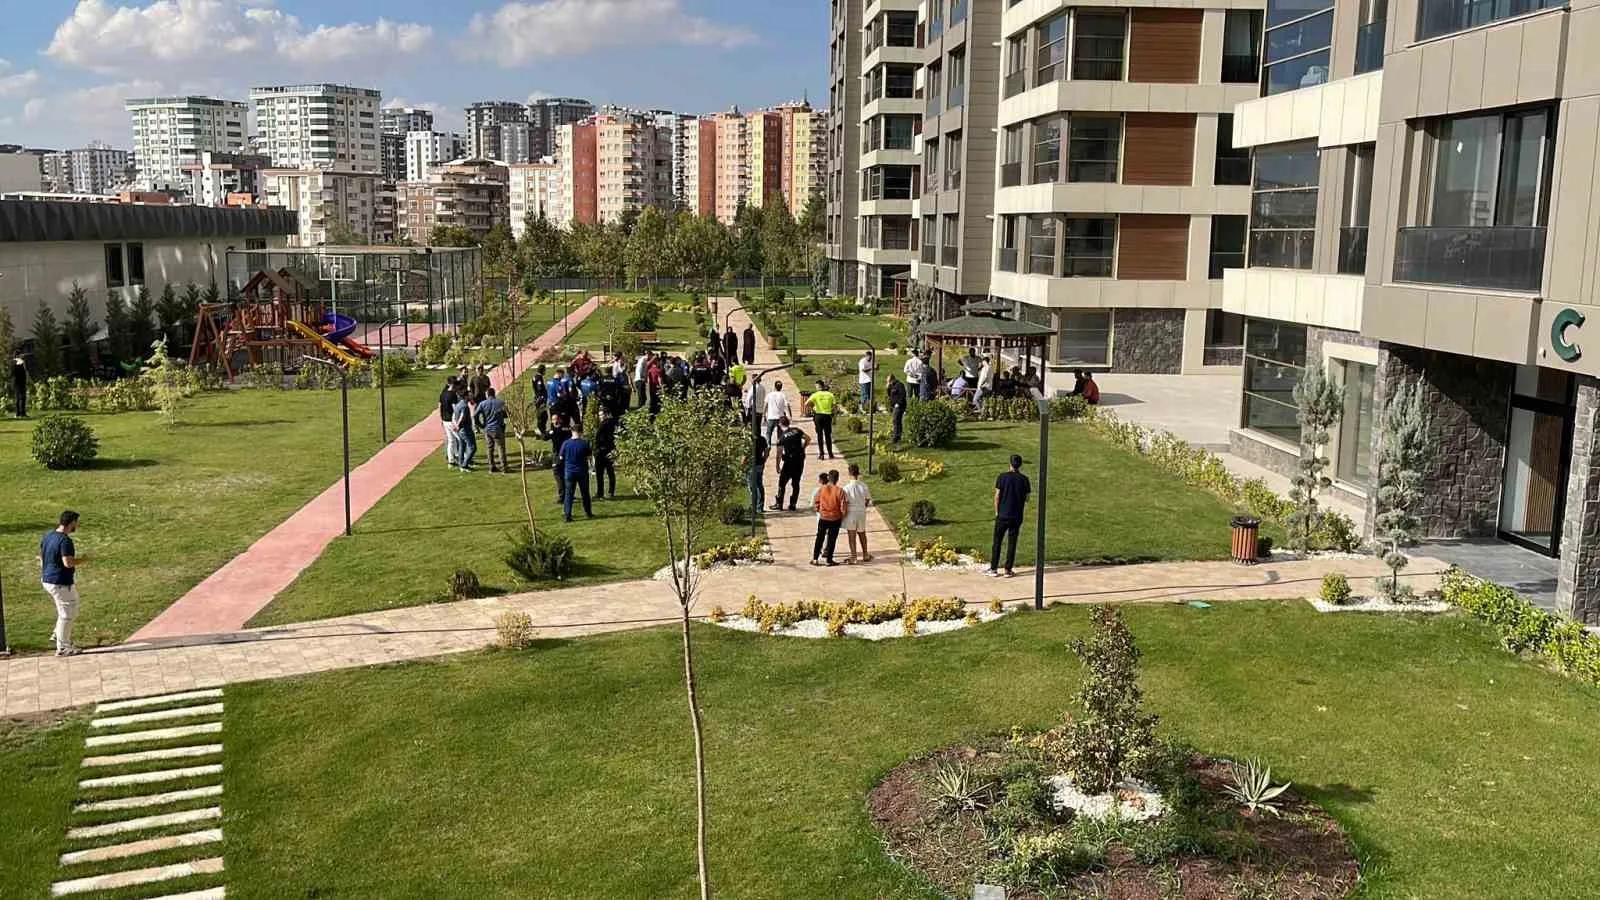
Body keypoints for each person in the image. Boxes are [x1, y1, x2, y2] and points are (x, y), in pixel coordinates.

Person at [40, 510, 84, 656]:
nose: (77, 525)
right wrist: (84, 559)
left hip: (48, 580)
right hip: (60, 583)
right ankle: (63, 647)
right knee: (67, 614)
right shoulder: (65, 541)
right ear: (71, 523)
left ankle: (58, 633)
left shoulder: (49, 536)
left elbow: (41, 556)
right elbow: (68, 563)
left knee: (73, 604)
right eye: (76, 522)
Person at [989, 454, 1032, 578]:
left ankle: (993, 568)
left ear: (1010, 463)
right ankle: (1008, 570)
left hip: (1002, 515)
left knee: (997, 542)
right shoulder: (1024, 479)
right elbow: (1027, 498)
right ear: (1020, 465)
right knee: (1012, 543)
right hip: (1016, 516)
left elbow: (997, 496)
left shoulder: (1002, 477)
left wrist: (997, 511)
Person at [773, 416, 811, 511]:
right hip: (799, 461)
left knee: (782, 483)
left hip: (789, 463)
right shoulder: (797, 430)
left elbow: (779, 453)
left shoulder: (781, 438)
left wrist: (777, 465)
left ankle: (779, 503)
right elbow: (808, 438)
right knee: (796, 483)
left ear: (780, 424)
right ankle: (793, 504)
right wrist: (803, 447)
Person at [810, 471, 847, 566]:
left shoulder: (822, 489)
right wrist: (842, 515)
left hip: (823, 517)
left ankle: (815, 559)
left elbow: (816, 502)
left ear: (828, 478)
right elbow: (843, 506)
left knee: (819, 538)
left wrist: (819, 510)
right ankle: (829, 560)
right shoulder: (840, 491)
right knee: (832, 539)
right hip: (835, 518)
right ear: (837, 479)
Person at [559, 422, 594, 522]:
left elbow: (561, 457)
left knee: (569, 494)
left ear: (572, 431)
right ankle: (588, 513)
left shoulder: (566, 443)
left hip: (569, 472)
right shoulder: (584, 443)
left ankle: (567, 515)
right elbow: (589, 457)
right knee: (585, 493)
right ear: (581, 432)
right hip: (582, 472)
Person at [842, 464, 873, 563]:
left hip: (851, 513)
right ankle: (865, 554)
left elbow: (845, 502)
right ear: (858, 473)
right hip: (861, 512)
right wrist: (863, 506)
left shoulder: (846, 488)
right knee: (862, 533)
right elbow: (867, 499)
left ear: (849, 473)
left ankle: (854, 557)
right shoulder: (863, 486)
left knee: (851, 535)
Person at [475, 387, 509, 473]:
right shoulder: (500, 403)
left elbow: (475, 415)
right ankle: (504, 467)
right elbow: (507, 414)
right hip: (498, 428)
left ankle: (491, 467)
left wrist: (480, 425)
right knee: (501, 448)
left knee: (490, 448)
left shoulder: (482, 404)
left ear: (487, 395)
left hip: (487, 429)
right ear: (494, 394)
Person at [807, 380, 837, 460]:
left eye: (816, 386)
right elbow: (834, 406)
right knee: (828, 436)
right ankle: (830, 454)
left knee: (819, 436)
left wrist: (813, 408)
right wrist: (834, 417)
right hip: (827, 416)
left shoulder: (815, 395)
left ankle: (821, 454)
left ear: (818, 386)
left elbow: (807, 403)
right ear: (823, 386)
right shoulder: (830, 395)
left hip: (818, 416)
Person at [593, 408, 618, 499]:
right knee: (608, 472)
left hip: (604, 451)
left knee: (604, 472)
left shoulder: (606, 424)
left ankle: (602, 492)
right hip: (606, 450)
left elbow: (600, 438)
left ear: (606, 414)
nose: (600, 417)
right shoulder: (610, 423)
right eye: (599, 415)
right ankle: (608, 491)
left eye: (602, 415)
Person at [452, 385, 477, 472]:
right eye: (469, 395)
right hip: (465, 429)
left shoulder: (459, 404)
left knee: (462, 446)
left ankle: (461, 463)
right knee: (473, 447)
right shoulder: (465, 406)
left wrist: (456, 426)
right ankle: (464, 465)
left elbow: (455, 416)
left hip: (460, 430)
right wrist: (458, 425)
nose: (471, 396)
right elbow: (462, 416)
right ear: (466, 396)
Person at [548, 414, 573, 502]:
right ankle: (569, 493)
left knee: (558, 474)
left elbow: (547, 436)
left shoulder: (557, 430)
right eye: (553, 419)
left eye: (556, 419)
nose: (555, 421)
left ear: (560, 420)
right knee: (564, 474)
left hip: (559, 454)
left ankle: (562, 495)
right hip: (565, 454)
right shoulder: (565, 428)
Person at [438, 376, 460, 467]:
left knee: (451, 440)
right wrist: (458, 421)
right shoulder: (453, 394)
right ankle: (463, 458)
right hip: (452, 420)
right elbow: (455, 409)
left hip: (445, 420)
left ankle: (451, 460)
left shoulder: (443, 394)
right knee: (461, 439)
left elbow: (439, 406)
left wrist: (441, 419)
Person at [747, 430, 770, 515]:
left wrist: (742, 464)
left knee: (753, 486)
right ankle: (760, 506)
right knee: (759, 485)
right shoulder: (762, 439)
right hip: (760, 463)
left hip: (751, 465)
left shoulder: (750, 441)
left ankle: (754, 506)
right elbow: (767, 449)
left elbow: (746, 454)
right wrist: (764, 458)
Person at [763, 380, 791, 446]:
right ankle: (779, 445)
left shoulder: (769, 395)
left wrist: (764, 415)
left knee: (769, 433)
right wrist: (790, 415)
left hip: (771, 417)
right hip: (780, 417)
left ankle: (768, 445)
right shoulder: (783, 395)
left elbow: (765, 405)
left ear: (774, 387)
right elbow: (787, 405)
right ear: (781, 387)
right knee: (780, 434)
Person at [887, 374, 908, 443]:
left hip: (900, 406)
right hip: (895, 406)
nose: (889, 383)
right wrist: (888, 388)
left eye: (889, 381)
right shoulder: (891, 386)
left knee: (896, 420)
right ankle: (898, 435)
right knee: (897, 421)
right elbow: (889, 395)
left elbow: (903, 395)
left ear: (893, 379)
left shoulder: (900, 385)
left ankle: (896, 437)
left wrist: (898, 404)